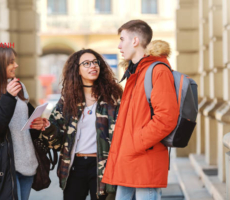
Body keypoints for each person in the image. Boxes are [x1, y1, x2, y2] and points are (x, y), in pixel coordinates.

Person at [101, 20, 179, 200]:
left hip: (144, 159)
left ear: (135, 41)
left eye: (122, 39)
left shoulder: (157, 70)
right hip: (129, 159)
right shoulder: (135, 73)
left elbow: (166, 118)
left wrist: (136, 143)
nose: (119, 46)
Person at [33, 49, 123, 200]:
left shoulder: (113, 98)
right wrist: (47, 127)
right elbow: (56, 143)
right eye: (86, 63)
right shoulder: (68, 100)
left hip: (103, 166)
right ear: (78, 70)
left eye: (95, 62)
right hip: (74, 166)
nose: (92, 66)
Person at [0, 44, 46, 200]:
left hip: (27, 163)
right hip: (4, 167)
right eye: (11, 62)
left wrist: (37, 125)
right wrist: (8, 97)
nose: (16, 65)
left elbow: (26, 125)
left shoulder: (19, 87)